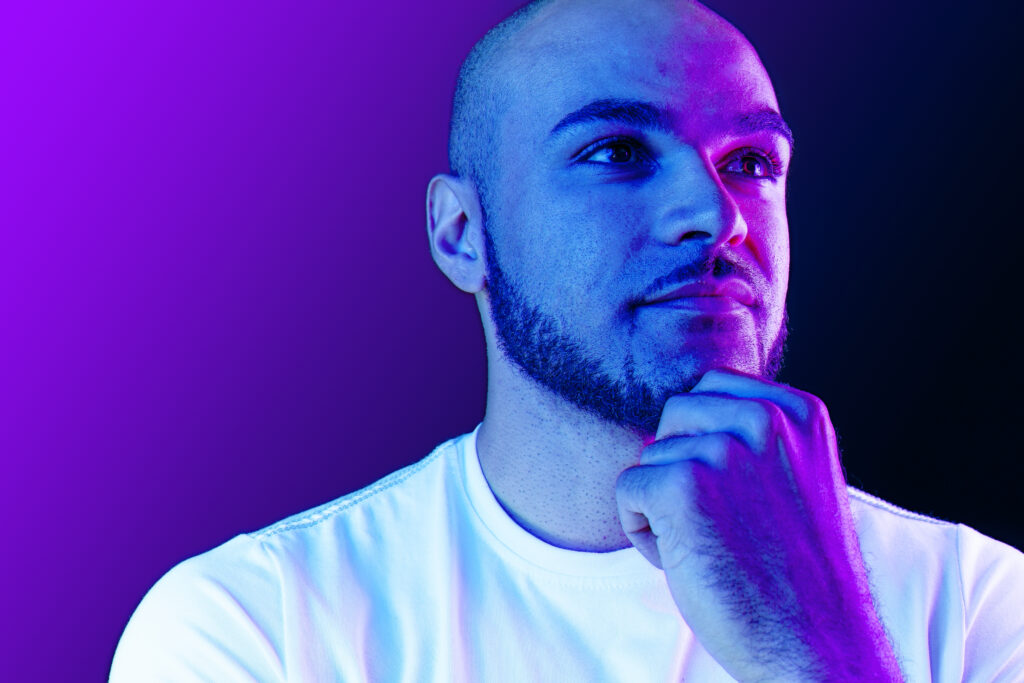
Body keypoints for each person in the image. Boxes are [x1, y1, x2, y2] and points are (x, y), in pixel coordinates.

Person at [110, 0, 1024, 680]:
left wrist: (816, 654)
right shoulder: (257, 626)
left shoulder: (978, 603)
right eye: (617, 151)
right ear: (461, 234)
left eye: (750, 162)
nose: (716, 218)